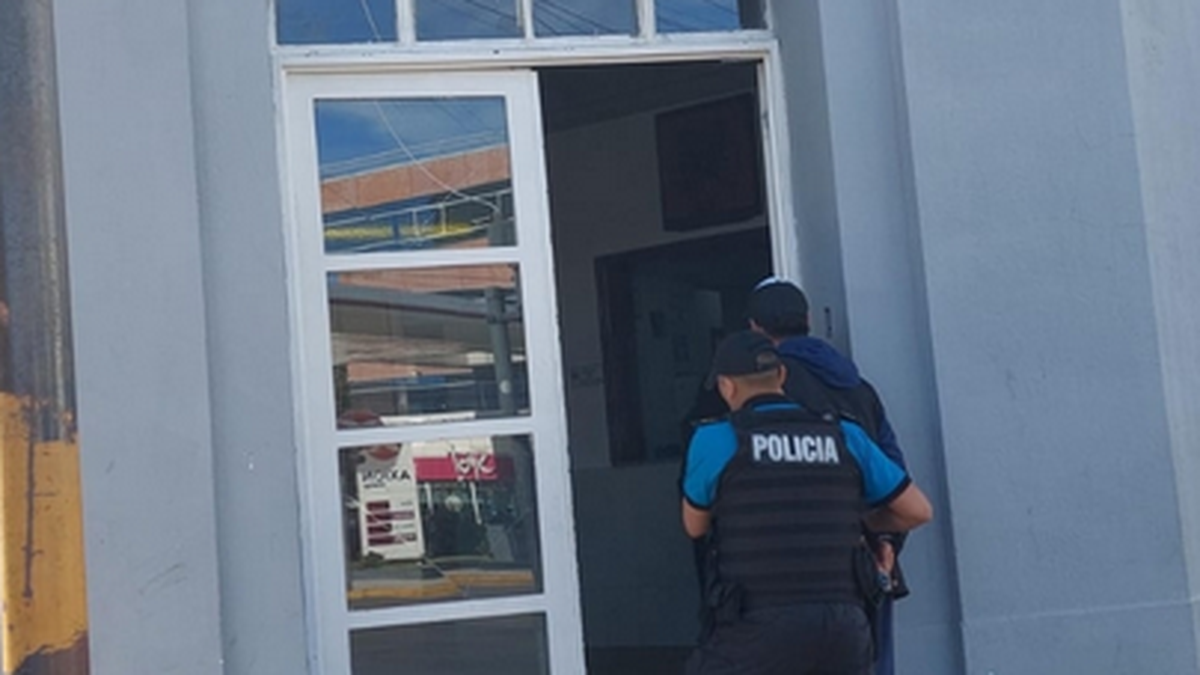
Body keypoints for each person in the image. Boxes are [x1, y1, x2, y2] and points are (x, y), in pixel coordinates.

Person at [684, 277, 912, 675]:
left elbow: (699, 520)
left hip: (765, 598)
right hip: (853, 581)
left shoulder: (744, 410)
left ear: (754, 327)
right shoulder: (858, 392)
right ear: (807, 319)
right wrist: (883, 538)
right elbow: (901, 487)